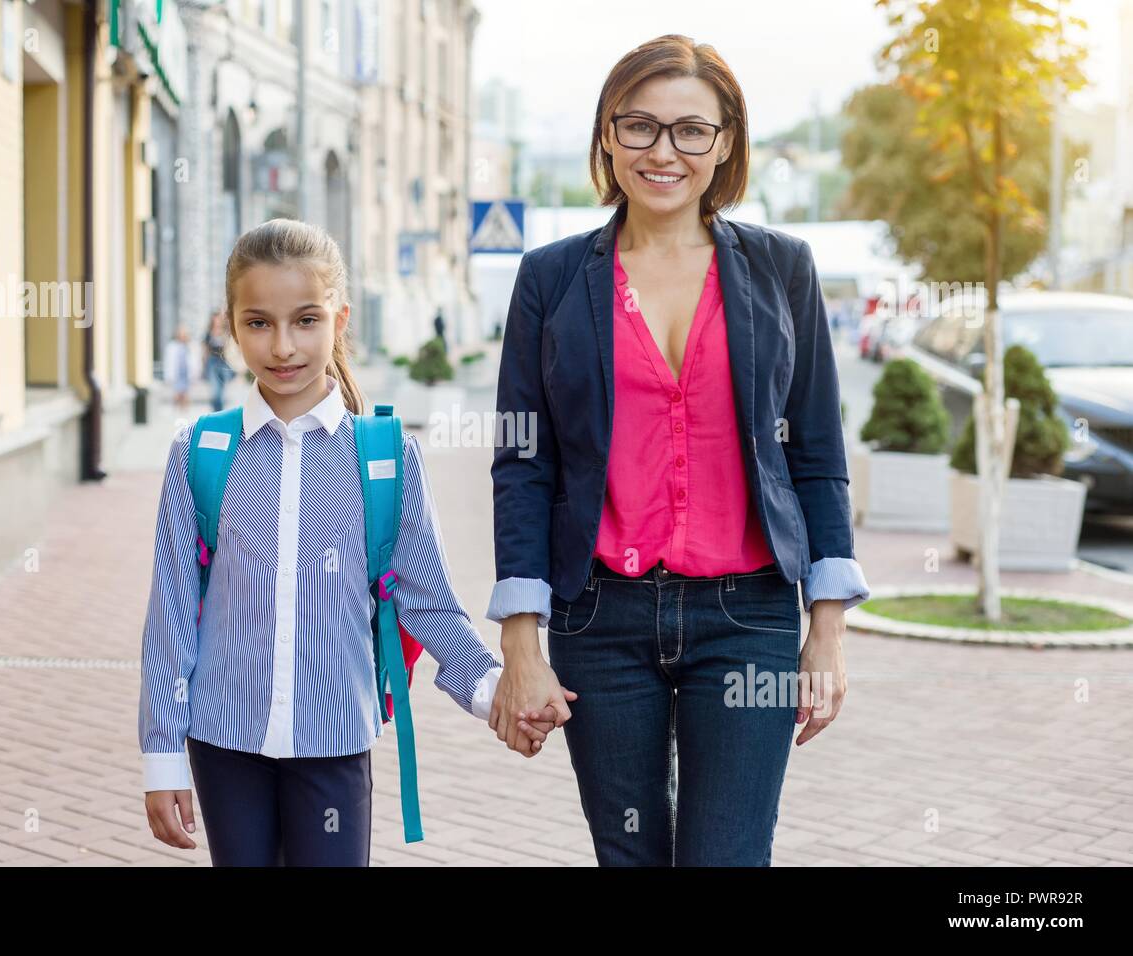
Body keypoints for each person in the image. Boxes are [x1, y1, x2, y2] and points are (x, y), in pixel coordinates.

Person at [487, 36, 871, 866]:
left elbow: (817, 453)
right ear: (607, 136)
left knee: (726, 856)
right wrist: (521, 644)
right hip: (600, 618)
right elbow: (524, 464)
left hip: (750, 617)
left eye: (691, 130)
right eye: (640, 127)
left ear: (725, 141)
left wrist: (827, 631)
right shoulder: (549, 278)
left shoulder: (782, 269)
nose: (664, 152)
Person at [138, 218, 564, 866]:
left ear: (339, 321)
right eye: (259, 323)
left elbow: (429, 604)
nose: (283, 346)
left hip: (336, 741)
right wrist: (162, 757)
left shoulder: (385, 459)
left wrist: (497, 692)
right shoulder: (201, 452)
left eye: (305, 320)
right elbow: (171, 617)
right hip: (223, 743)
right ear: (230, 326)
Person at [202, 309, 235, 412]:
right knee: (215, 391)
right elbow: (205, 351)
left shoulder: (226, 333)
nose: (217, 321)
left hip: (223, 363)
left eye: (218, 319)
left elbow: (230, 348)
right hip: (212, 363)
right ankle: (217, 411)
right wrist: (204, 367)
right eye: (215, 319)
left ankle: (218, 411)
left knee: (221, 390)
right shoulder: (209, 334)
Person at [162, 325, 192, 410]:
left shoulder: (189, 345)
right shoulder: (172, 346)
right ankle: (176, 412)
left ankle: (185, 411)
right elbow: (168, 362)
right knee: (177, 394)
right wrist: (168, 376)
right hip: (176, 374)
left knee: (186, 394)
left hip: (186, 374)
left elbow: (193, 361)